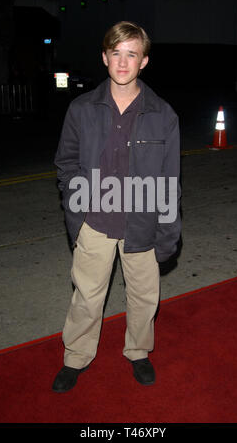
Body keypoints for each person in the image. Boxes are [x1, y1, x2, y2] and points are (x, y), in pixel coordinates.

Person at [52, 21, 181, 392]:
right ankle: (75, 356)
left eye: (132, 54)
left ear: (143, 62)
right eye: (116, 53)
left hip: (142, 226)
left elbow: (170, 182)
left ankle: (138, 352)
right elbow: (67, 164)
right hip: (94, 223)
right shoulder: (81, 109)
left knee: (143, 298)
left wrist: (168, 235)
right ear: (105, 57)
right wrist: (77, 216)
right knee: (86, 298)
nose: (123, 62)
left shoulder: (163, 115)